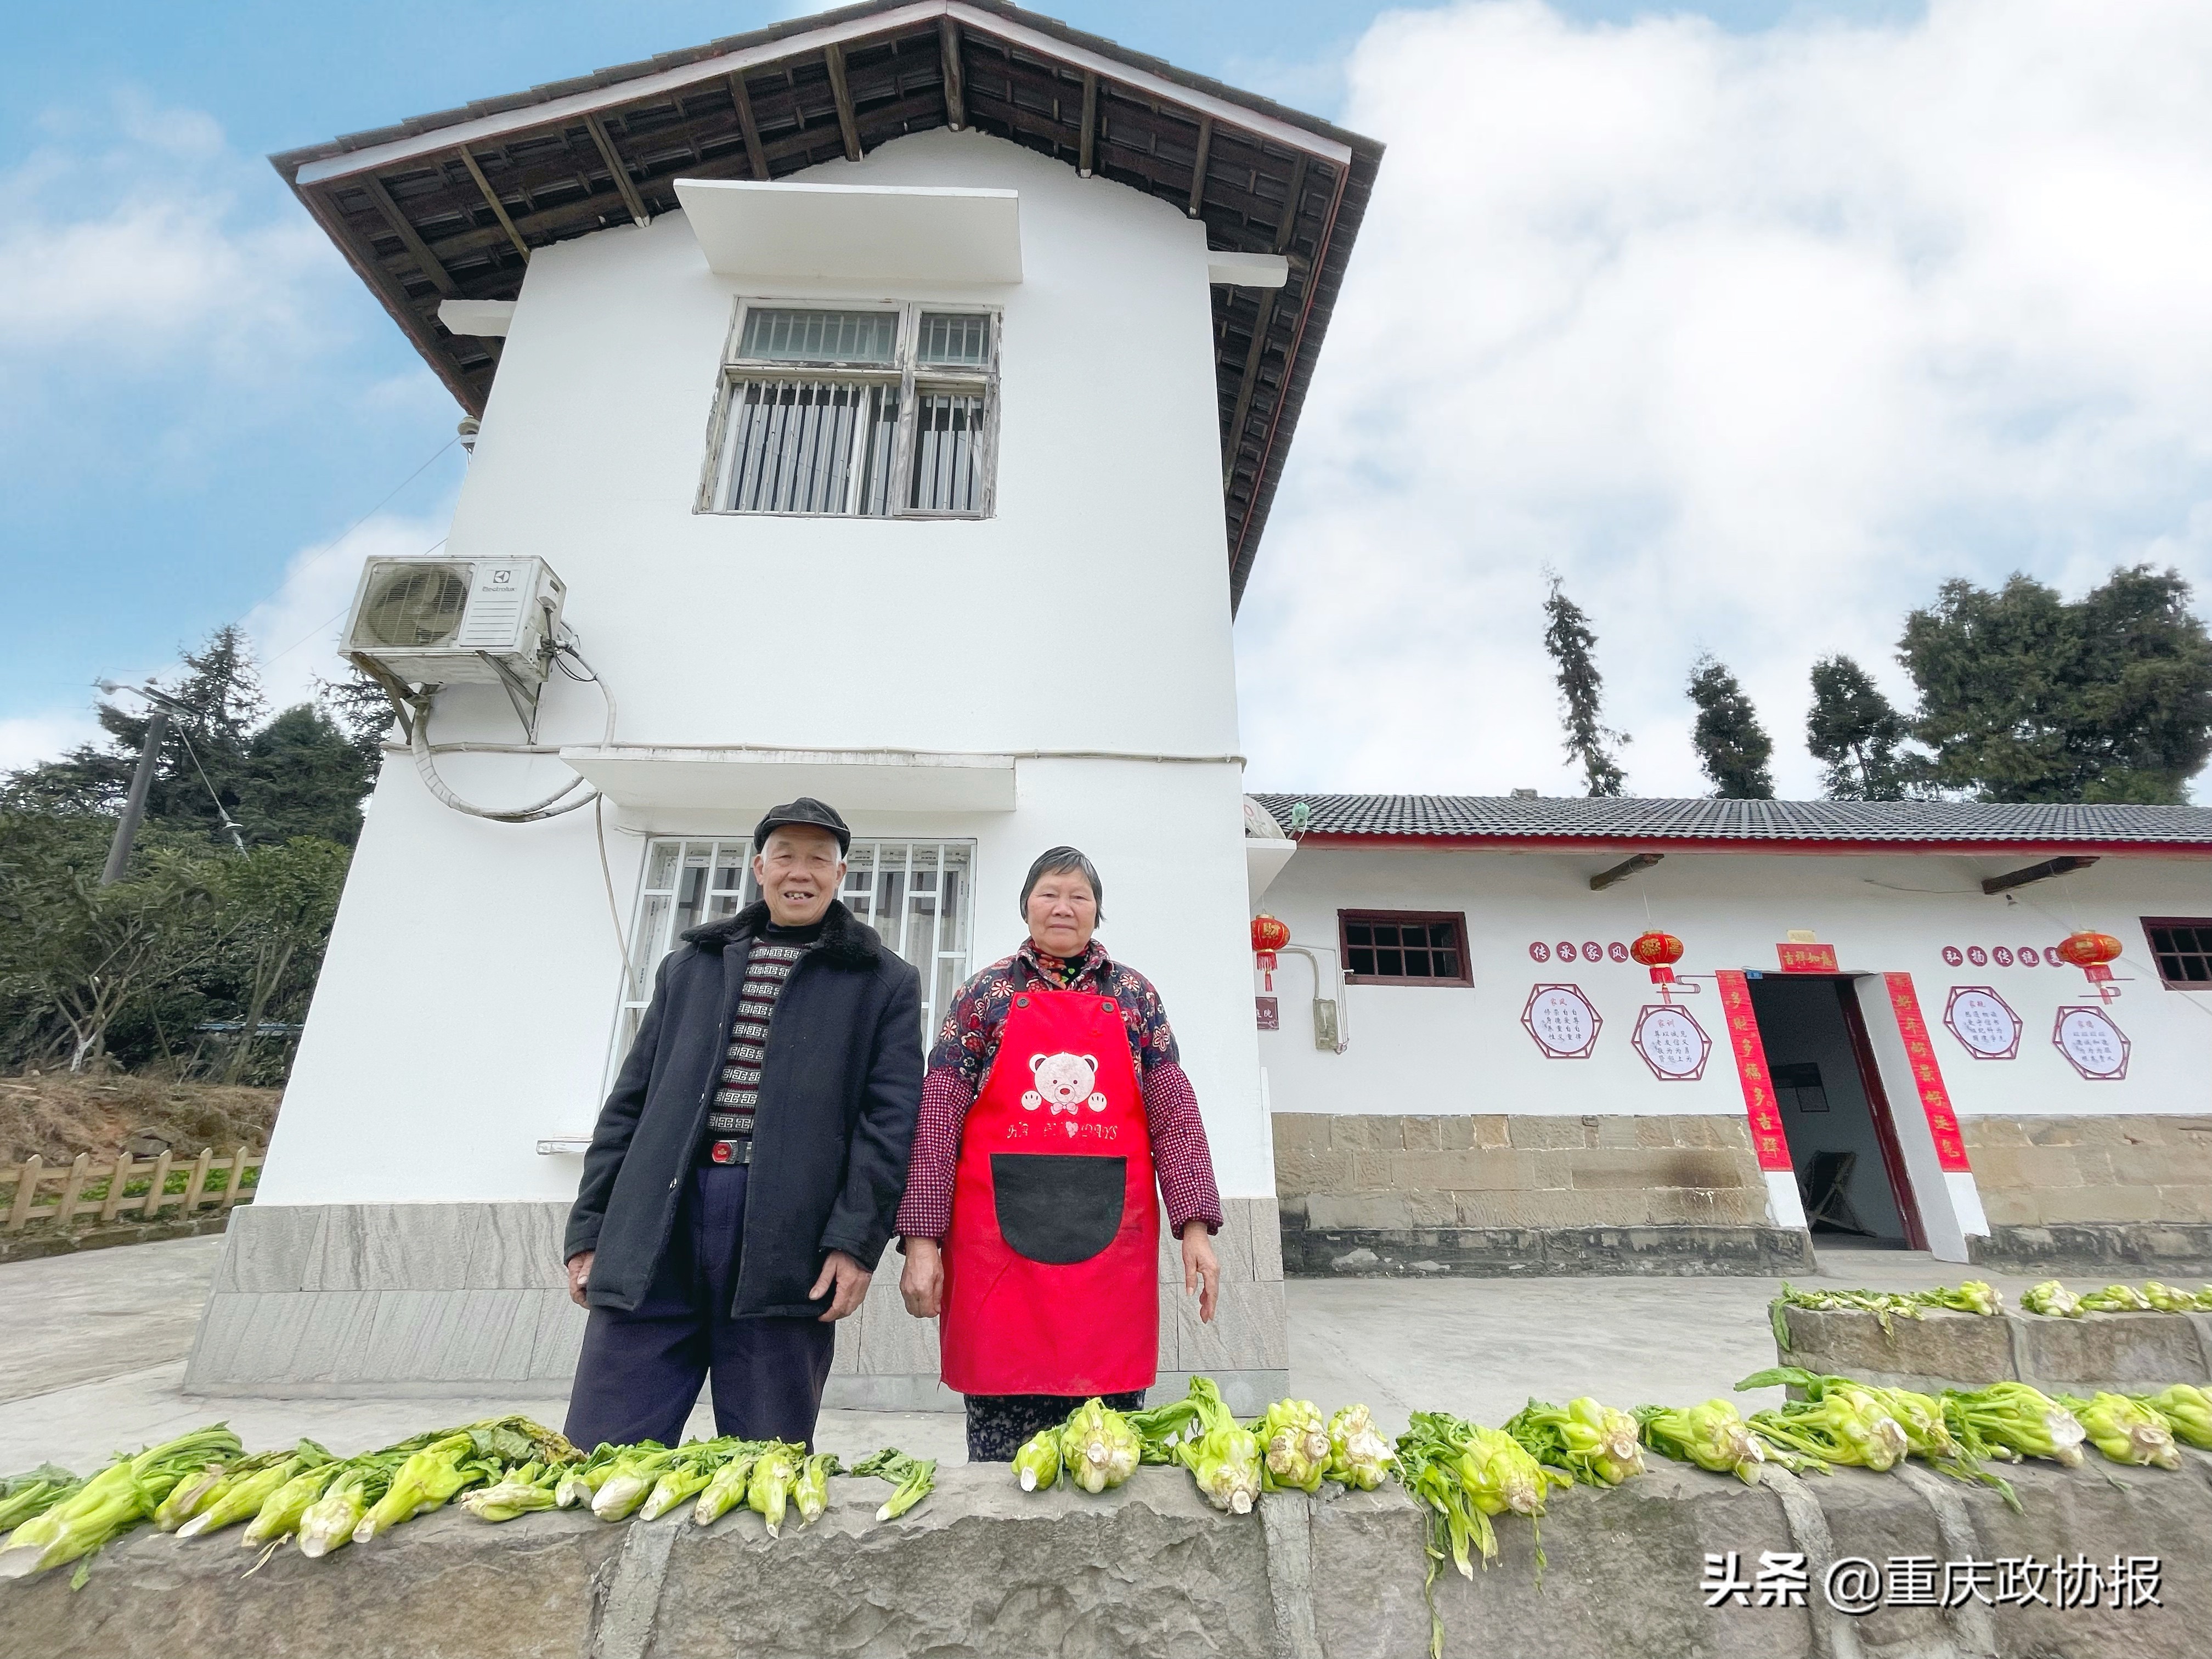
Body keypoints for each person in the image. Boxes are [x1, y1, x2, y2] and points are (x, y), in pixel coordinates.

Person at [562, 797, 922, 1450]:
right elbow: (629, 1105)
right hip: (659, 1220)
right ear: (760, 867)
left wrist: (856, 1240)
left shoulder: (883, 982)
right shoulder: (689, 967)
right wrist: (590, 1227)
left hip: (788, 1231)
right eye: (786, 855)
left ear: (842, 876)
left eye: (820, 859)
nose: (801, 871)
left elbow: (889, 1125)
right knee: (602, 1446)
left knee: (766, 1457)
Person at [896, 845, 1222, 1461]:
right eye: (1049, 893)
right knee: (1002, 1468)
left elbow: (1173, 1113)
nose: (1063, 907)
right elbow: (937, 1117)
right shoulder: (983, 994)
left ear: (1099, 913)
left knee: (1108, 1455)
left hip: (1111, 1252)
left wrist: (1196, 1228)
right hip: (996, 1251)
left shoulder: (1135, 996)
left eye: (1080, 896)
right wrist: (921, 1240)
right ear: (1026, 906)